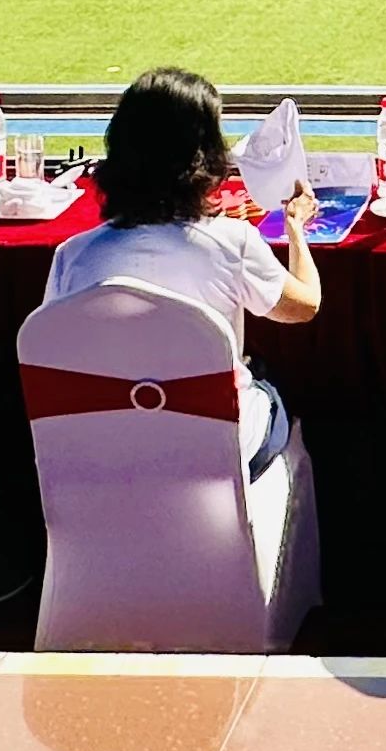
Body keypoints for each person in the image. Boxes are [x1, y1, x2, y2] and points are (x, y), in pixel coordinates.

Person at [41, 67, 322, 478]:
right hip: (214, 452)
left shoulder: (73, 256)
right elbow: (305, 306)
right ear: (204, 153)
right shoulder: (233, 242)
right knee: (266, 384)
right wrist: (295, 229)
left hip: (103, 456)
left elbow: (56, 362)